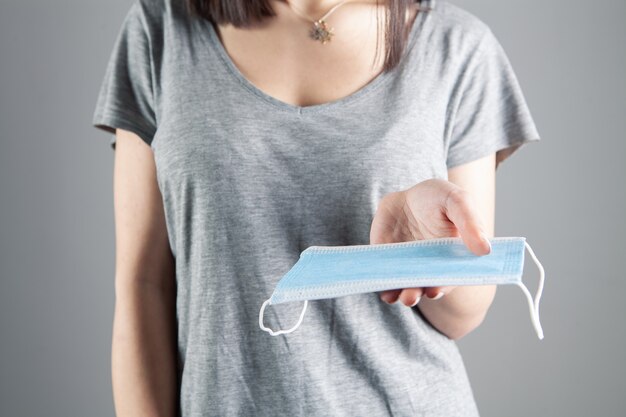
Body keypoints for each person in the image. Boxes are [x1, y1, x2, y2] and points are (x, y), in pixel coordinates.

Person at [91, 0, 540, 415]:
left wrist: (431, 252)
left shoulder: (455, 45)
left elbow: (465, 315)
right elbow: (143, 283)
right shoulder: (162, 28)